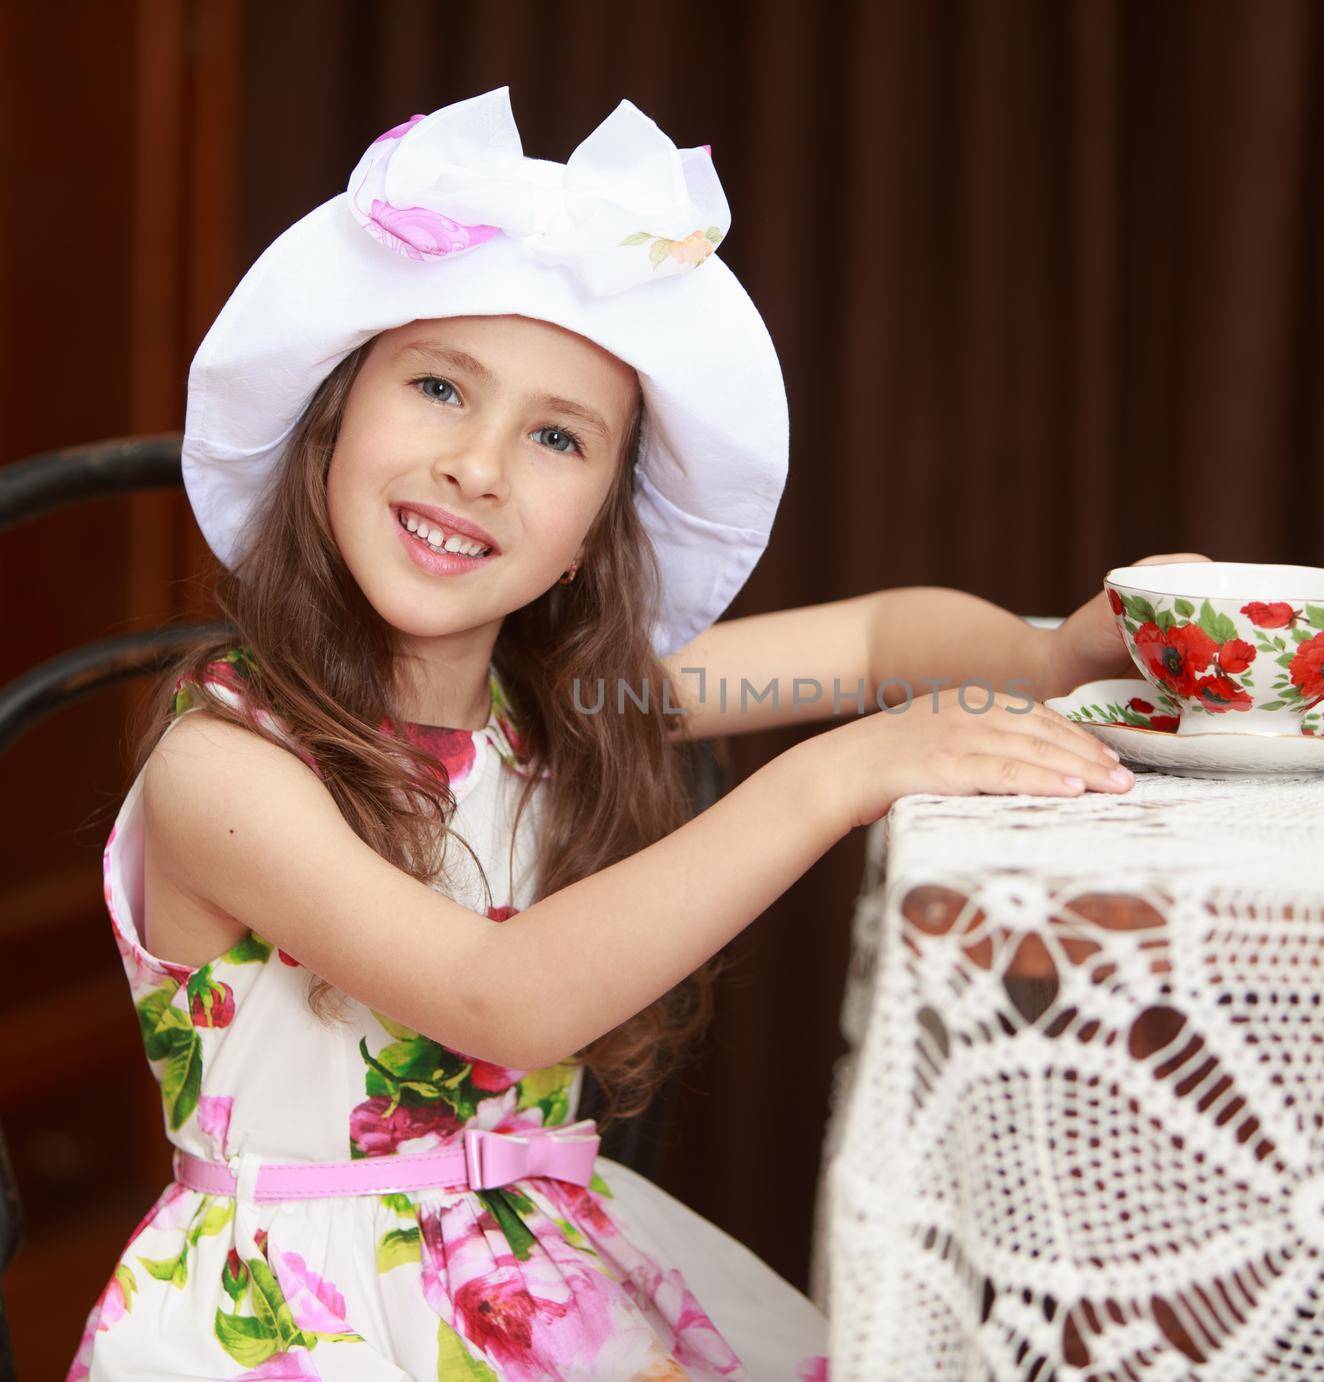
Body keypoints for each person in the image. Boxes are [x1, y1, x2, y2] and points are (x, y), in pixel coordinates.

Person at [68, 88, 1182, 1380]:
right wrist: (842, 774)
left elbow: (877, 644)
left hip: (527, 1280)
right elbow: (507, 998)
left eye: (555, 436)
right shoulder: (224, 770)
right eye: (439, 386)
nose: (479, 465)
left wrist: (1047, 656)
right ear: (333, 413)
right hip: (292, 1324)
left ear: (598, 521)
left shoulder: (563, 706)